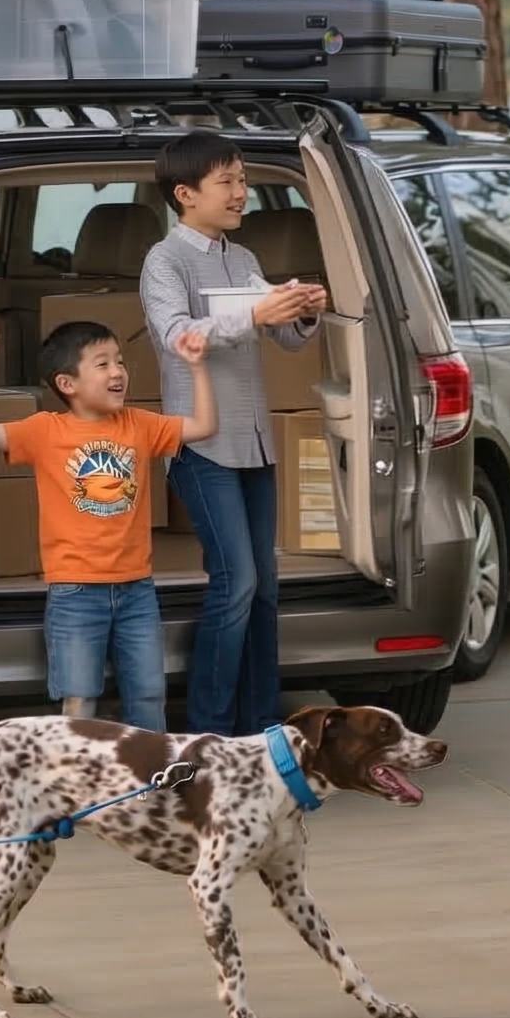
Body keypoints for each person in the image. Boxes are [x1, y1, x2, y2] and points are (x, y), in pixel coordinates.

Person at [140, 133, 329, 736]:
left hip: (254, 441)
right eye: (228, 181)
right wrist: (255, 314)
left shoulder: (243, 260)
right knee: (236, 580)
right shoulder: (164, 261)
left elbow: (289, 341)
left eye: (243, 180)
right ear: (185, 195)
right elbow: (178, 335)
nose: (241, 192)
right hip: (201, 443)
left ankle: (261, 724)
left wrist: (303, 311)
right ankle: (210, 730)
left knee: (265, 587)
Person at [0, 316, 216, 732]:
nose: (118, 371)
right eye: (102, 364)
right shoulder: (45, 430)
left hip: (138, 589)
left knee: (150, 697)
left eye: (119, 361)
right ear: (68, 384)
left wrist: (197, 366)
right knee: (80, 702)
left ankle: (147, 787)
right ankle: (79, 787)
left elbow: (206, 426)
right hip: (75, 591)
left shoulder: (140, 423)